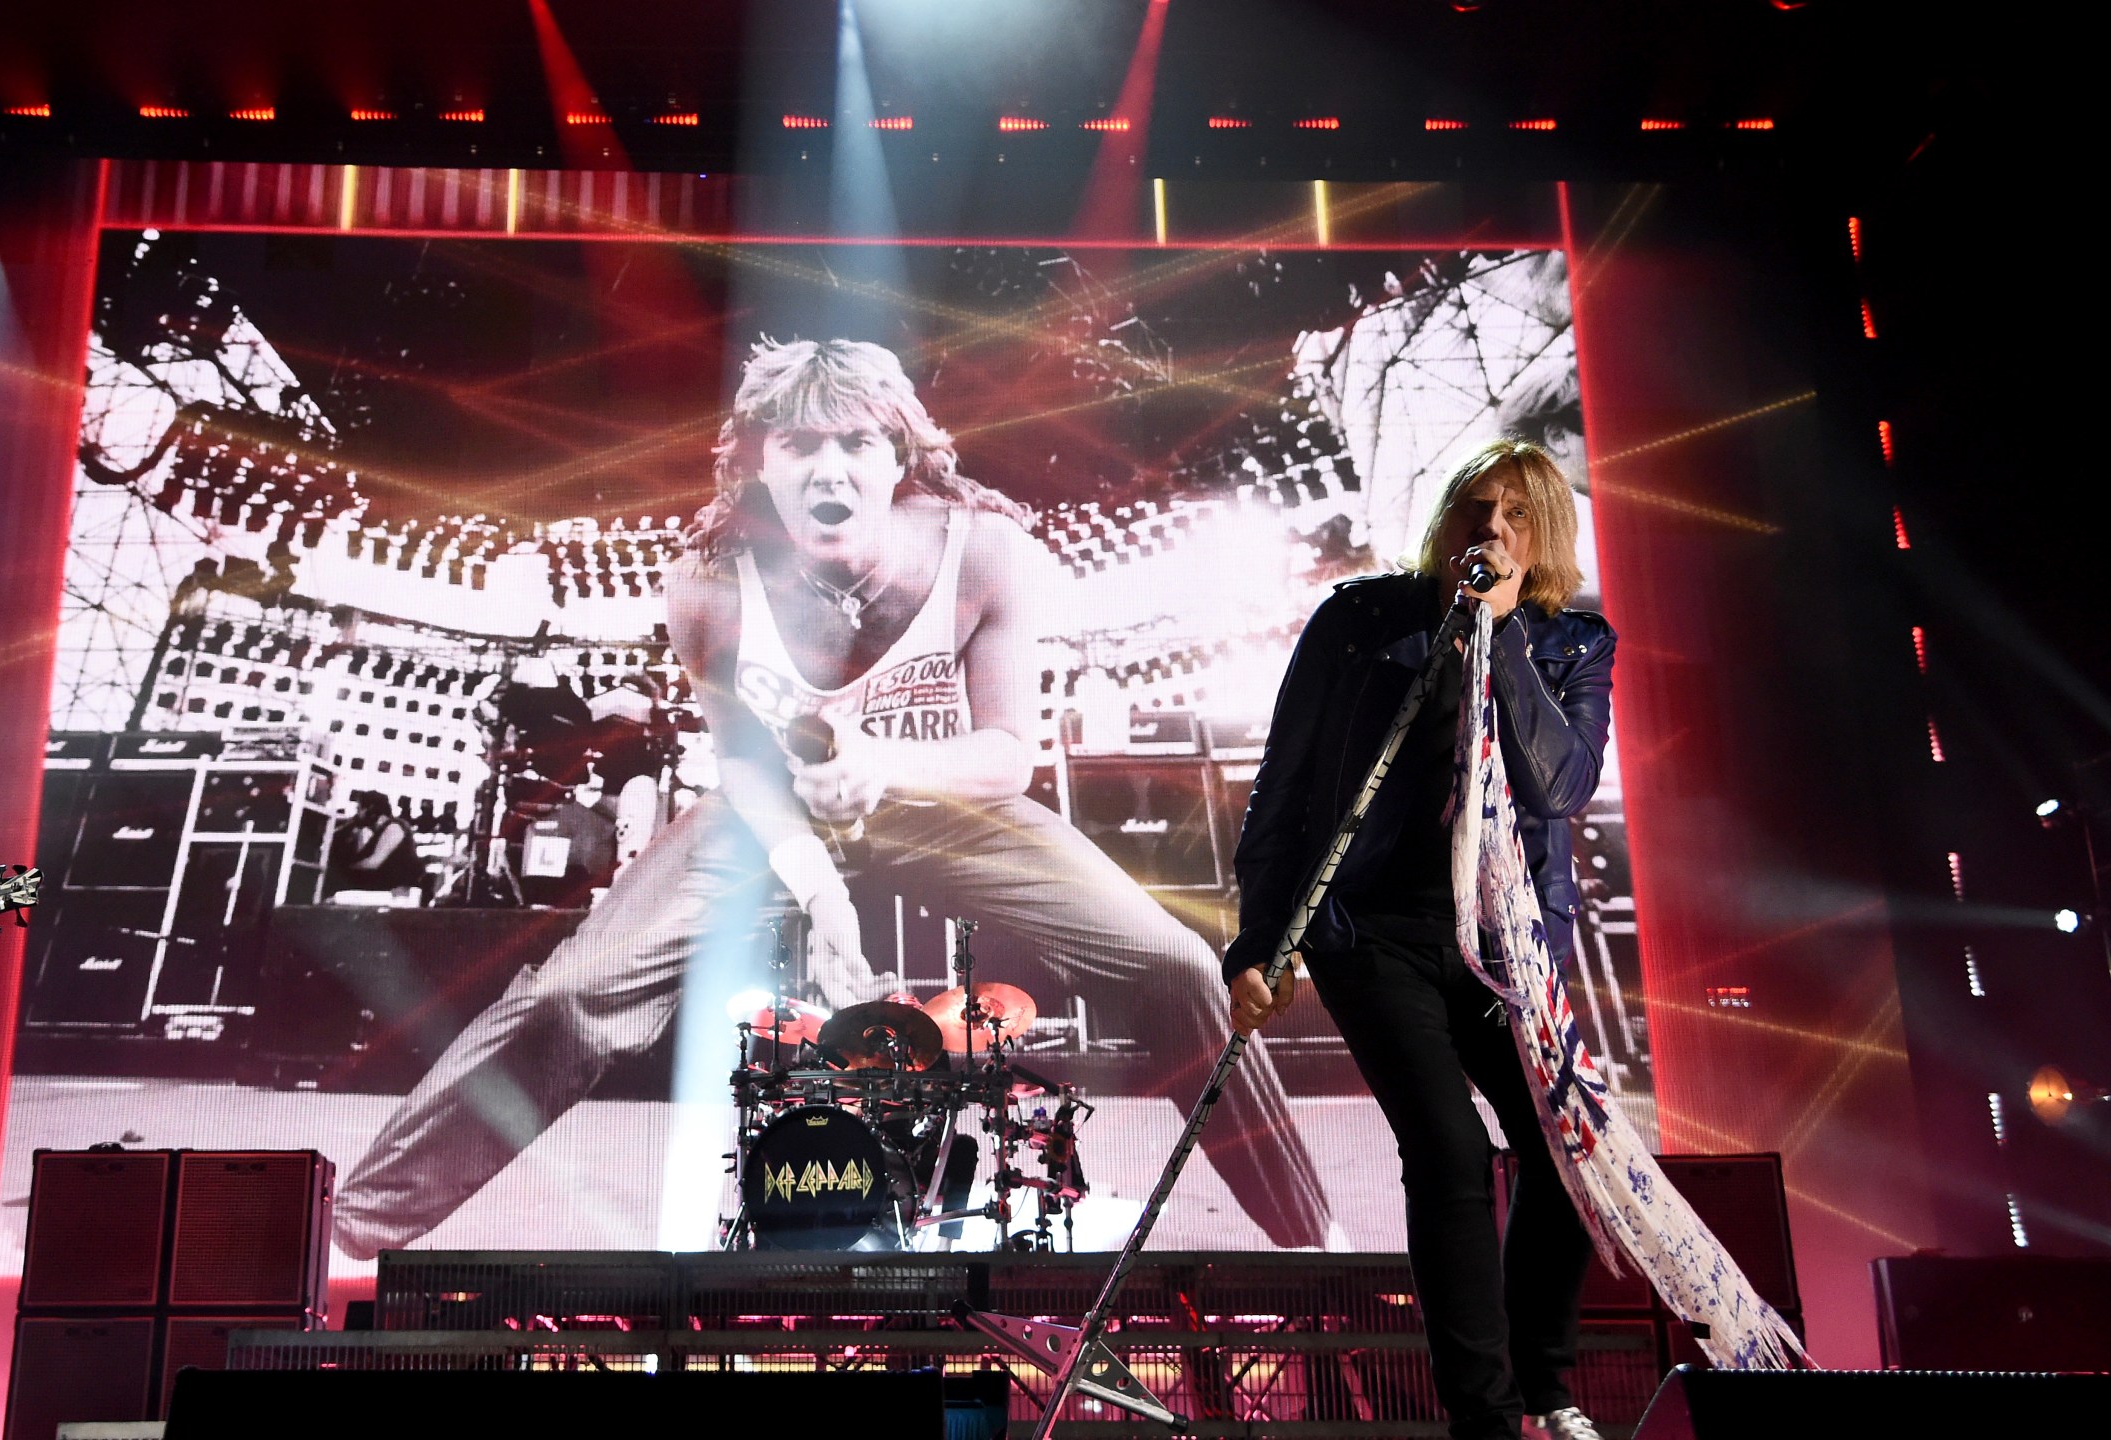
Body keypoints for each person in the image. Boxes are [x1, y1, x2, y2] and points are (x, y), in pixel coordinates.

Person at [334, 338, 1334, 1255]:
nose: (828, 467)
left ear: (898, 455)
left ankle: (1311, 1239)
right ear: (759, 465)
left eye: (855, 441)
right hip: (774, 807)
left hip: (946, 795)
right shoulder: (710, 586)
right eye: (798, 444)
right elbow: (741, 765)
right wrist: (817, 889)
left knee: (1171, 960)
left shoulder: (986, 554)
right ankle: (352, 1233)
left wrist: (885, 764)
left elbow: (1005, 755)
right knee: (571, 993)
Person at [1225, 441, 1614, 1440]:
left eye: (1515, 518)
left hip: (1504, 945)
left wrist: (1502, 646)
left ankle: (1543, 1382)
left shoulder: (1570, 642)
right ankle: (1483, 1419)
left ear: (1543, 542)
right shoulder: (1360, 621)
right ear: (1443, 523)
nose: (1489, 531)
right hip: (1373, 932)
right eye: (1473, 511)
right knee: (1446, 1148)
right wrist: (1254, 946)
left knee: (1562, 1150)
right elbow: (1284, 783)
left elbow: (1558, 787)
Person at [327, 791, 426, 899]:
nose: (357, 814)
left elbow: (374, 862)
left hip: (396, 892)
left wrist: (343, 870)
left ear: (371, 809)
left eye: (359, 809)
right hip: (385, 890)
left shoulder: (394, 827)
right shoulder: (375, 833)